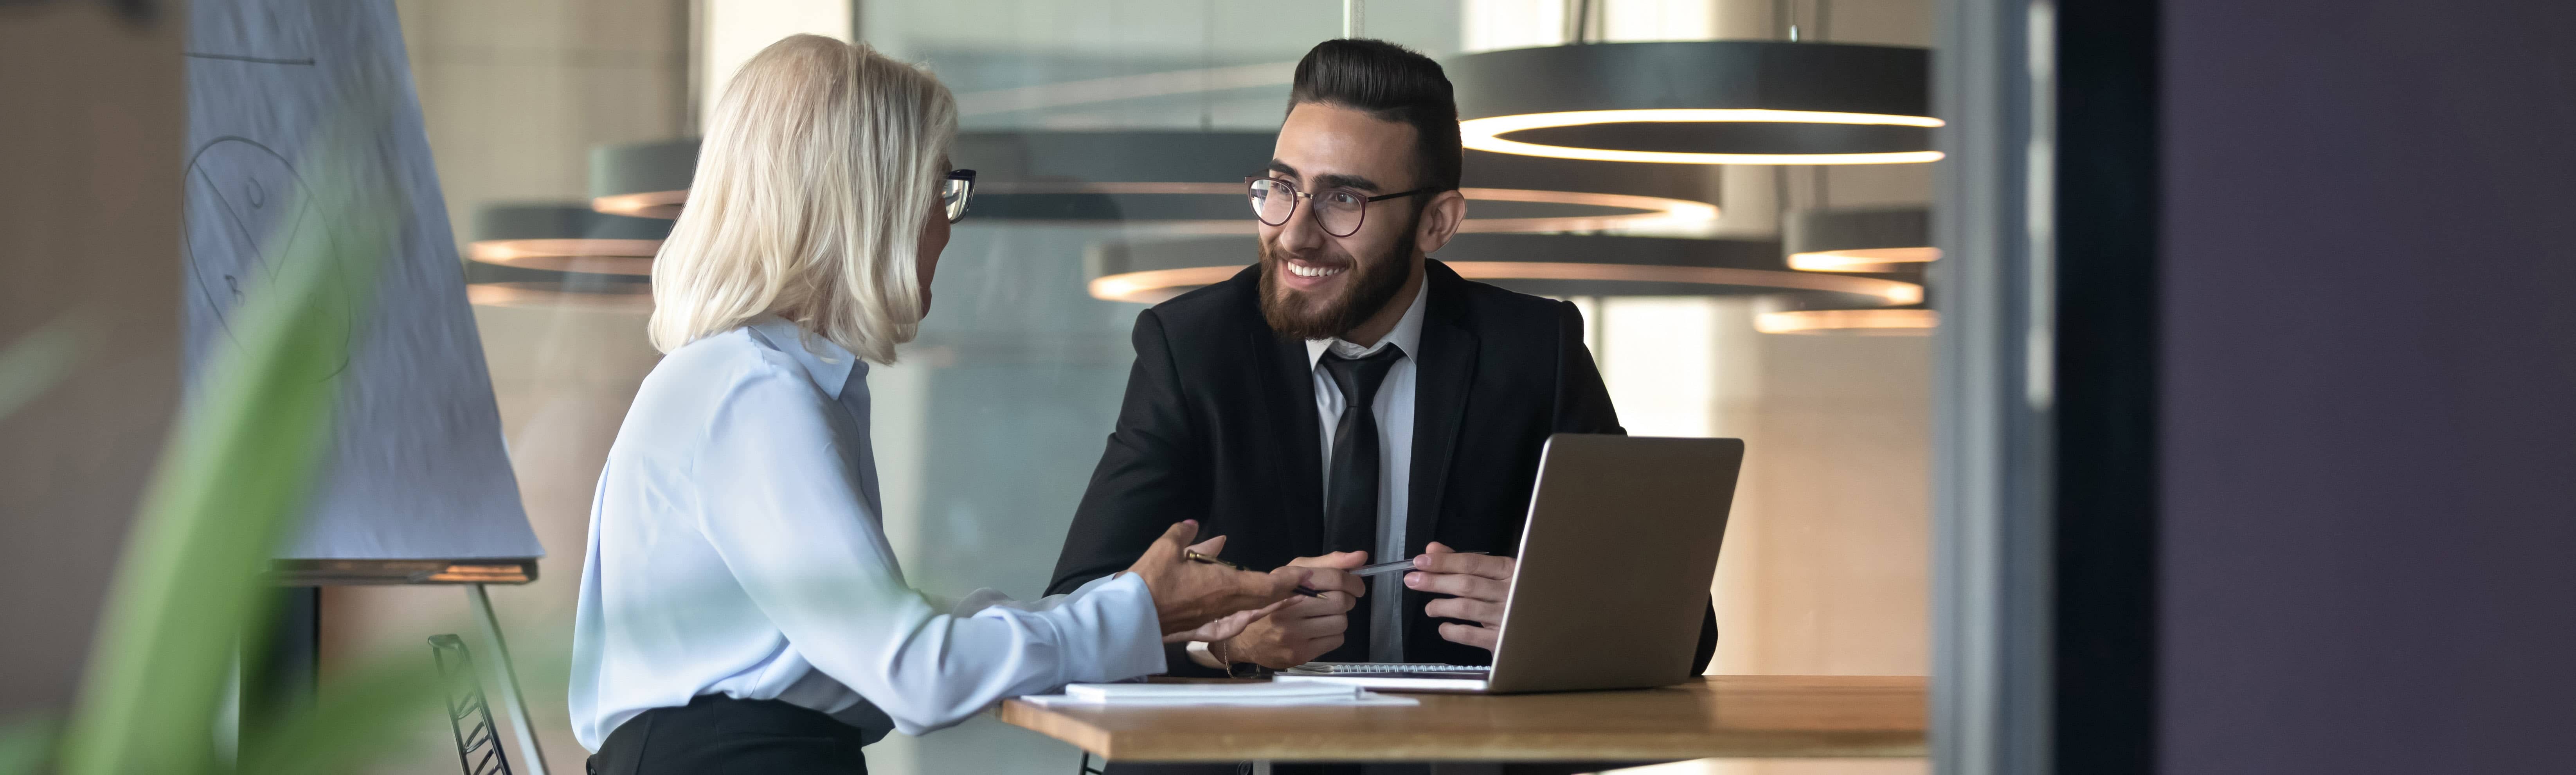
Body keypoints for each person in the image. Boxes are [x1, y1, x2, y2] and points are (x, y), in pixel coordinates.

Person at [568, 36, 1309, 775]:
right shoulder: (752, 392)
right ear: (870, 201)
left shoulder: (753, 382)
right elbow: (919, 673)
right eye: (939, 188)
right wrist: (1139, 611)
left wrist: (1154, 612)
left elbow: (902, 640)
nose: (947, 222)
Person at [1047, 38, 1719, 683]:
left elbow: (1687, 627)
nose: (1295, 233)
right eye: (1281, 187)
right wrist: (1224, 644)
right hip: (1238, 747)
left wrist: (1558, 619)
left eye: (1344, 199)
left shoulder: (1535, 350)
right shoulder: (1191, 348)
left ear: (1437, 223)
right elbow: (1075, 604)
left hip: (1459, 746)